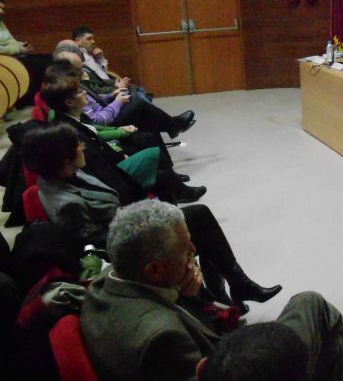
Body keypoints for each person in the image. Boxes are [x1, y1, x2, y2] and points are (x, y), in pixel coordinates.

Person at [81, 200, 343, 381]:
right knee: (311, 305)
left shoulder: (110, 279)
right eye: (186, 251)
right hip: (238, 368)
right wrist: (195, 297)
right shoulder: (160, 339)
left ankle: (342, 338)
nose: (195, 253)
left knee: (331, 351)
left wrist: (188, 290)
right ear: (154, 270)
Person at [21, 124, 281, 306]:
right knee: (198, 219)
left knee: (198, 223)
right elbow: (98, 243)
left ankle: (226, 288)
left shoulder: (69, 176)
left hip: (126, 224)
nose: (82, 147)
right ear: (63, 156)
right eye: (77, 145)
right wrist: (143, 218)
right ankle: (232, 286)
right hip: (128, 246)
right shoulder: (66, 202)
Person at [39, 70, 205, 204]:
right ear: (69, 102)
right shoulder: (69, 131)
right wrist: (120, 150)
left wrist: (120, 129)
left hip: (111, 150)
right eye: (79, 91)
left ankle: (175, 186)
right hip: (111, 171)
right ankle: (176, 188)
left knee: (147, 135)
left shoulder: (72, 117)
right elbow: (97, 159)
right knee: (151, 148)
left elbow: (96, 130)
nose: (84, 93)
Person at [52, 43, 195, 138]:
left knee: (147, 118)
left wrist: (110, 96)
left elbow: (96, 96)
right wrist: (117, 102)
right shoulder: (67, 90)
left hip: (106, 110)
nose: (82, 72)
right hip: (104, 125)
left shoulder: (73, 82)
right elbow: (96, 120)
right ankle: (173, 125)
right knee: (138, 104)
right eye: (78, 69)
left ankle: (171, 133)